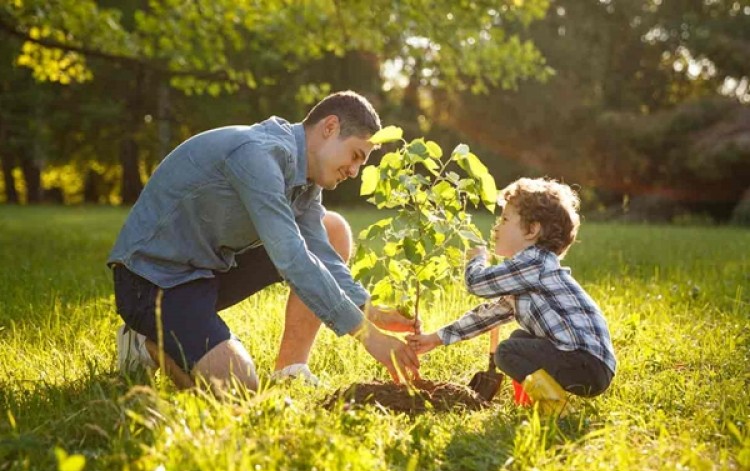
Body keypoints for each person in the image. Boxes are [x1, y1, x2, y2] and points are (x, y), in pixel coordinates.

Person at [108, 90, 420, 393]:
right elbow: (292, 258)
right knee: (239, 388)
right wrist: (369, 337)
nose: (353, 171)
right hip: (151, 281)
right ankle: (144, 345)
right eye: (355, 156)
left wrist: (370, 311)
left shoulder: (307, 181)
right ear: (330, 127)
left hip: (204, 271)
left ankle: (290, 370)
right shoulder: (258, 155)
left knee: (332, 230)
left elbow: (321, 253)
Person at [407, 177, 615, 410]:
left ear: (532, 230)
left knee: (506, 352)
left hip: (584, 362)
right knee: (518, 340)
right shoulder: (528, 274)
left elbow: (476, 283)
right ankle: (529, 404)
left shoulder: (533, 262)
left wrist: (477, 258)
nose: (497, 226)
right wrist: (434, 339)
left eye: (505, 219)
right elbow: (486, 316)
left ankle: (556, 408)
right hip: (590, 364)